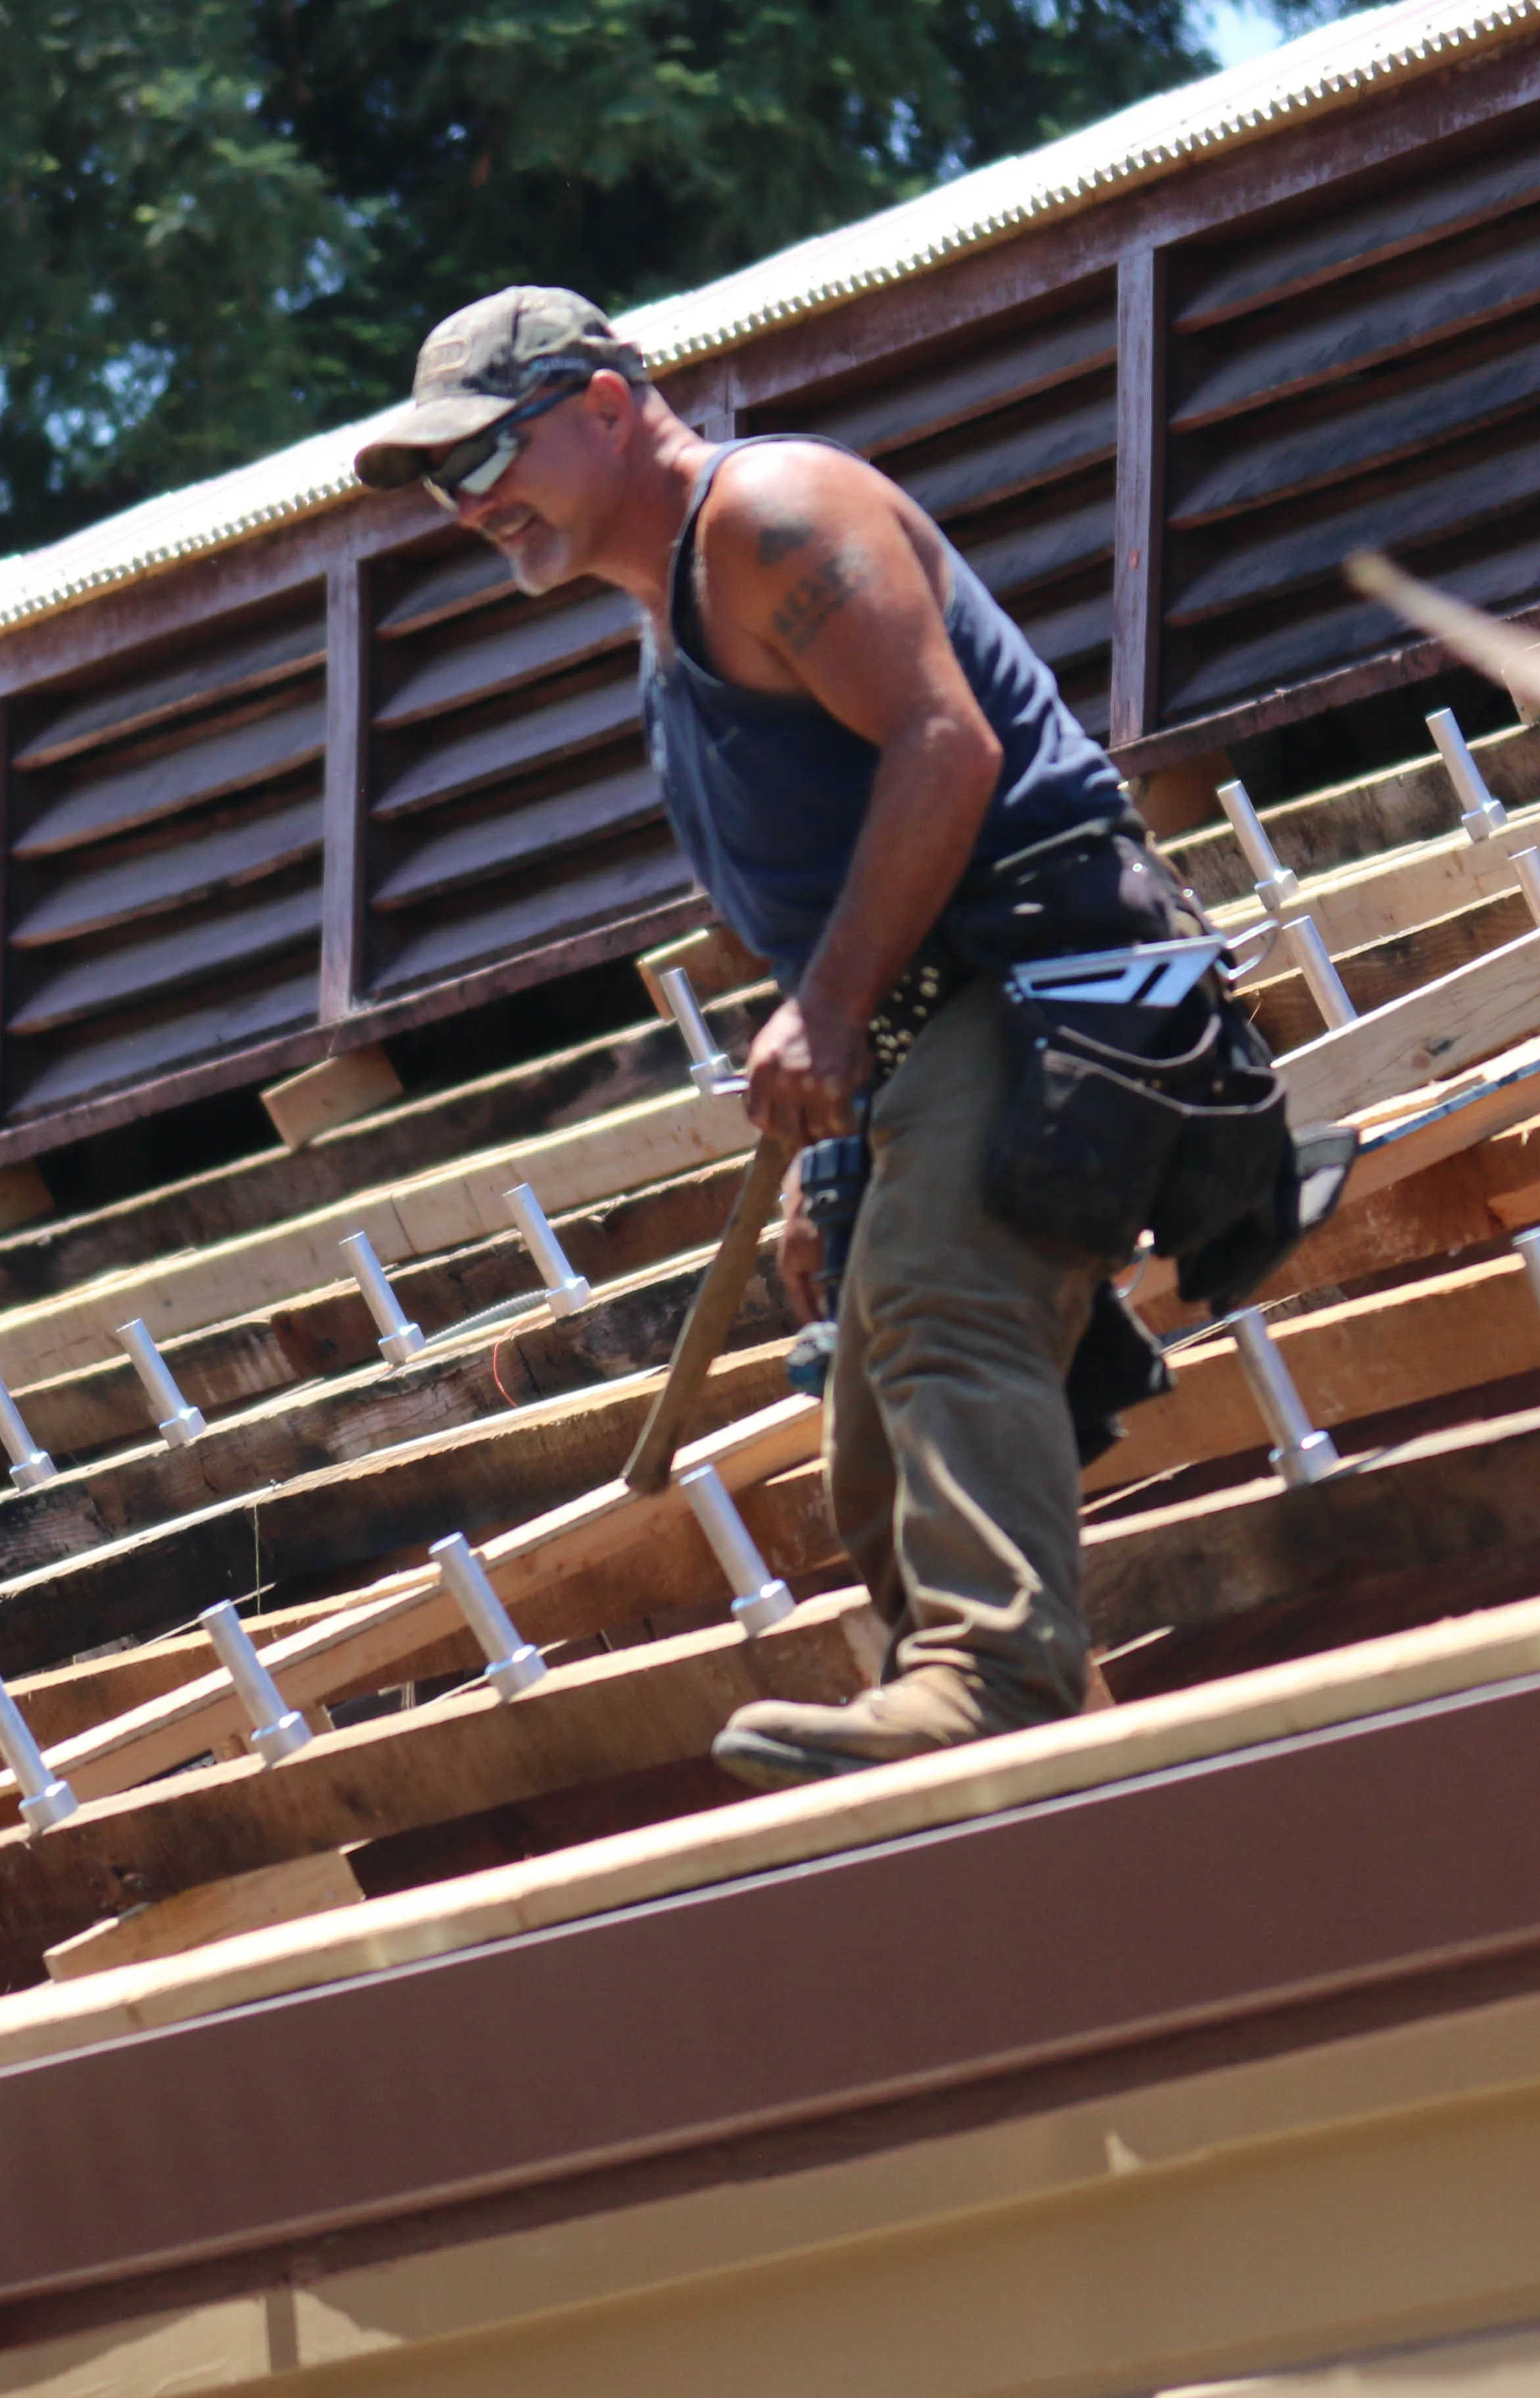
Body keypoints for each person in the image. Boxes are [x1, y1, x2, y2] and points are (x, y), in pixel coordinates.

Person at [354, 287, 1183, 1788]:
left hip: (1048, 972)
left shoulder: (772, 517)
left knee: (944, 1298)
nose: (469, 508)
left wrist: (832, 1013)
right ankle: (1046, 1773)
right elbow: (823, 912)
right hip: (930, 1035)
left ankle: (996, 1684)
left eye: (487, 461)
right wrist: (842, 1136)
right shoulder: (668, 633)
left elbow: (948, 743)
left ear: (607, 405)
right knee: (869, 1453)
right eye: (442, 487)